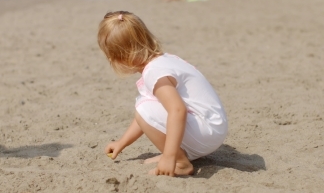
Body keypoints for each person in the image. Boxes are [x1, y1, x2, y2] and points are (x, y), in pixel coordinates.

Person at [98, 11, 228, 176]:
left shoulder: (154, 72)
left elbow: (177, 110)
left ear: (123, 57)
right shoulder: (163, 60)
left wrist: (169, 156)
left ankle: (180, 161)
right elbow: (146, 117)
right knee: (144, 106)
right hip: (212, 127)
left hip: (207, 130)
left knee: (143, 107)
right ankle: (179, 154)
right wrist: (122, 142)